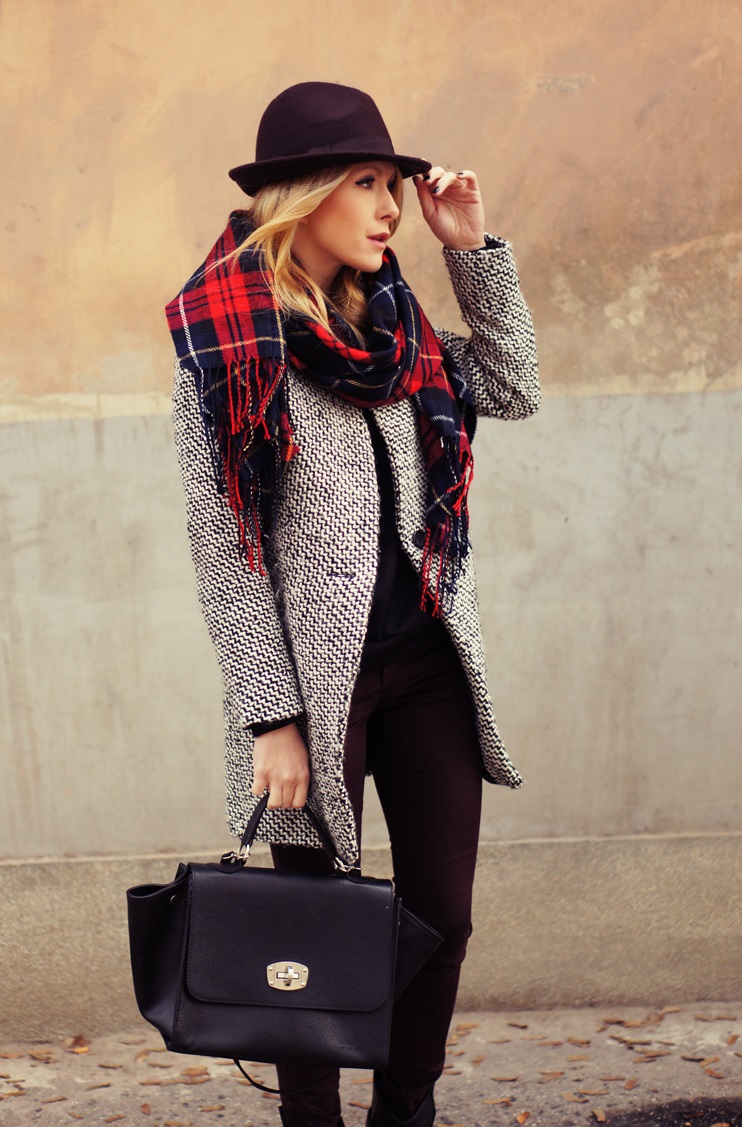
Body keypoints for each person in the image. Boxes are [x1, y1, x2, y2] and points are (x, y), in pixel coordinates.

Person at [167, 81, 539, 1127]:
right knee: (309, 930)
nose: (389, 207)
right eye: (367, 184)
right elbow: (224, 547)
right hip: (312, 694)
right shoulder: (228, 343)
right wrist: (270, 716)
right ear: (305, 195)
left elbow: (513, 385)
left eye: (393, 185)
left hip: (427, 668)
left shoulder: (397, 326)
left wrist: (471, 249)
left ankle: (405, 1108)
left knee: (442, 916)